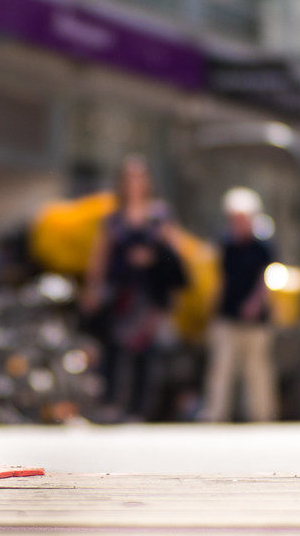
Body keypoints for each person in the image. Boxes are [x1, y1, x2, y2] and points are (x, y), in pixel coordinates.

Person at [83, 155, 187, 421]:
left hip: (149, 294)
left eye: (139, 177)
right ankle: (111, 404)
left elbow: (177, 253)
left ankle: (139, 409)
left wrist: (153, 257)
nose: (135, 183)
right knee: (114, 349)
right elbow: (100, 256)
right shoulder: (113, 219)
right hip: (121, 293)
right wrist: (93, 288)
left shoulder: (159, 215)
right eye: (129, 177)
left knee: (146, 352)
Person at [202, 187, 278, 422]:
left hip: (256, 319)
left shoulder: (262, 245)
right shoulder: (225, 244)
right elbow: (219, 279)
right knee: (220, 368)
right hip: (228, 314)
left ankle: (261, 416)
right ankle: (215, 414)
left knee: (257, 371)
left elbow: (266, 278)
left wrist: (255, 303)